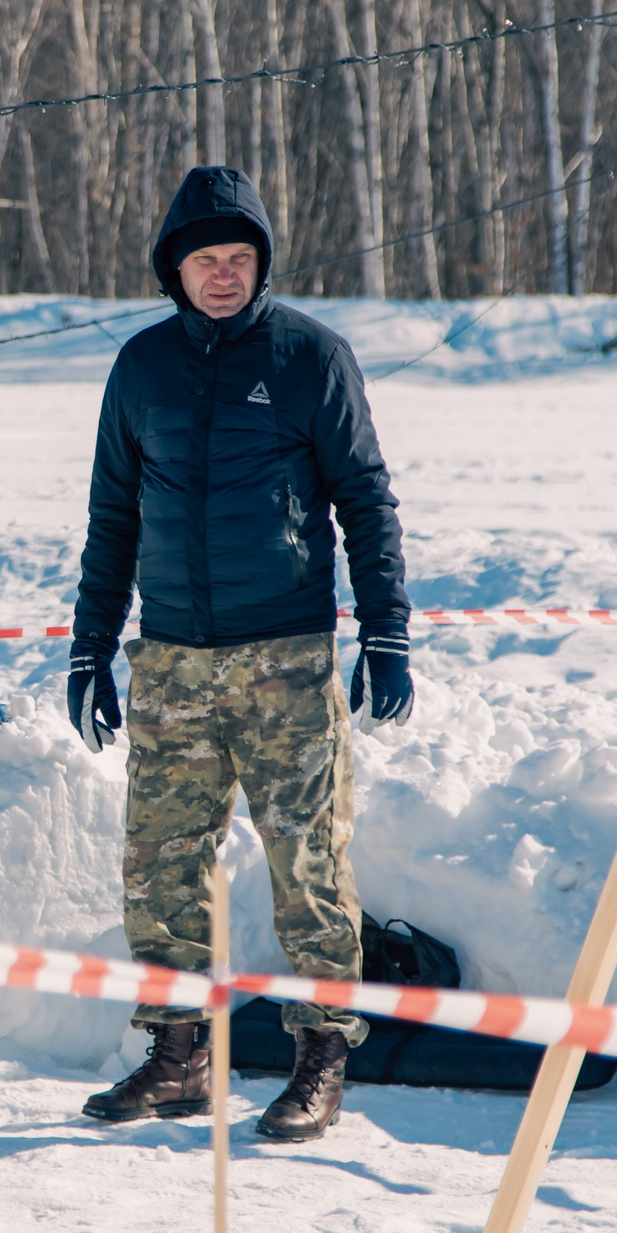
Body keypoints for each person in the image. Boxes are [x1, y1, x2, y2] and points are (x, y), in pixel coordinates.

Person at [68, 165, 412, 1143]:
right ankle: (178, 1060)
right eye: (203, 259)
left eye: (238, 258)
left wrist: (384, 630)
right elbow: (111, 518)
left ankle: (318, 1061)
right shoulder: (139, 369)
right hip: (172, 663)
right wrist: (90, 649)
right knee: (162, 868)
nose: (221, 274)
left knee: (309, 864)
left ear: (260, 264)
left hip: (287, 660)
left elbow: (365, 500)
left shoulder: (310, 356)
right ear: (173, 271)